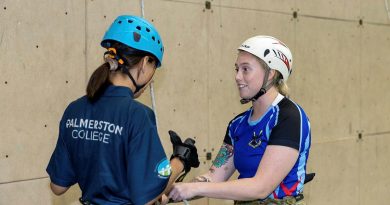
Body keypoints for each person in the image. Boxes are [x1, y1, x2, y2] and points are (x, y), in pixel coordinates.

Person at [46, 15, 199, 205]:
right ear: (144, 63)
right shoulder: (138, 115)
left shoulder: (75, 109)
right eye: (154, 67)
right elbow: (147, 196)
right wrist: (180, 161)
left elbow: (58, 186)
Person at [167, 36, 311, 205]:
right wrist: (169, 192)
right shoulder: (237, 124)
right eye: (236, 69)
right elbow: (213, 177)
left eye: (245, 69)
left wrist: (195, 189)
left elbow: (261, 187)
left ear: (270, 73)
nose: (237, 76)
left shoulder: (289, 117)